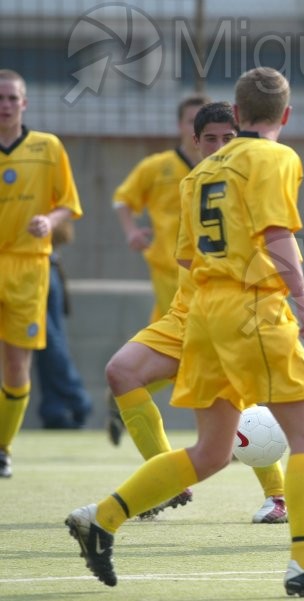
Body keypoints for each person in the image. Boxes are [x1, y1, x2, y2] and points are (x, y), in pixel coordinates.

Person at [65, 68, 304, 597]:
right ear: (287, 114)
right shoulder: (276, 157)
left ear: (237, 112)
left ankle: (102, 518)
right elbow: (276, 234)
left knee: (210, 453)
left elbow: (186, 253)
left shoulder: (198, 174)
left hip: (202, 312)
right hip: (252, 310)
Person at [103, 101, 289, 524]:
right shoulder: (191, 183)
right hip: (183, 311)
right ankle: (166, 479)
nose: (221, 146)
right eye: (211, 139)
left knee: (242, 403)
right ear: (194, 140)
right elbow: (184, 257)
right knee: (121, 372)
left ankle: (277, 496)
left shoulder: (255, 180)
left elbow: (277, 242)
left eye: (229, 138)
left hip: (229, 314)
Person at [0, 69, 83, 478]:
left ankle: (2, 448)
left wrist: (49, 222)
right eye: (0, 98)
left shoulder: (48, 147)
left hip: (29, 267)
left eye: (12, 98)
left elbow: (68, 203)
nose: (5, 105)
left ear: (24, 103)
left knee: (17, 367)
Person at [112, 93, 210, 323]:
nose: (197, 128)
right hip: (170, 269)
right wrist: (131, 232)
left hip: (211, 270)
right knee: (179, 333)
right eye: (191, 121)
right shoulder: (157, 166)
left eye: (203, 121)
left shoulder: (224, 167)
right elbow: (122, 199)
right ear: (179, 126)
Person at [34, 220, 93, 429]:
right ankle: (54, 410)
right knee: (45, 343)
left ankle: (76, 399)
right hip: (32, 266)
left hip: (41, 266)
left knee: (50, 340)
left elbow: (63, 229)